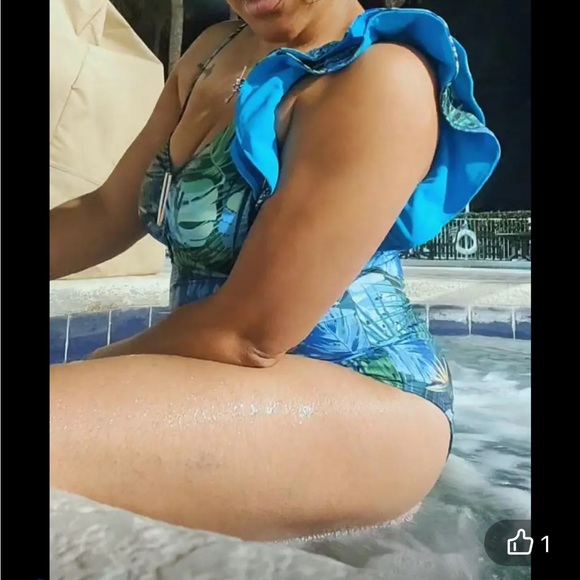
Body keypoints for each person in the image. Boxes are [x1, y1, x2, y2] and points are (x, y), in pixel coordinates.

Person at [50, 0, 500, 541]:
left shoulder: (382, 75)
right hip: (220, 367)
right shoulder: (212, 52)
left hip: (367, 397)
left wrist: (92, 366)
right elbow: (105, 211)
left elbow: (248, 334)